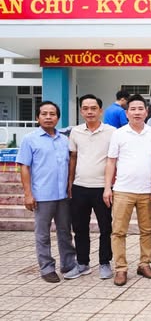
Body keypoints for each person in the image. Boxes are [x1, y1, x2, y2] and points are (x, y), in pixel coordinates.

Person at [16, 101, 78, 283]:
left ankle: (68, 265)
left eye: (52, 114)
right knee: (42, 234)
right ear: (37, 117)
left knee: (65, 232)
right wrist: (28, 194)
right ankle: (47, 268)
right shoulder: (30, 139)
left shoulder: (64, 140)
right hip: (42, 195)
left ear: (58, 118)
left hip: (63, 195)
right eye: (44, 114)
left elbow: (70, 163)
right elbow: (24, 167)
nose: (48, 117)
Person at [103, 94, 151, 286]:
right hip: (122, 190)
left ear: (146, 112)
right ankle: (121, 268)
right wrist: (107, 188)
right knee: (118, 231)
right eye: (132, 109)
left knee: (147, 230)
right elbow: (111, 162)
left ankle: (145, 264)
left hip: (146, 191)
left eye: (140, 109)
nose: (137, 112)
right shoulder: (118, 134)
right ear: (126, 113)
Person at [68, 94, 116, 280]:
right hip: (80, 187)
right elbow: (73, 158)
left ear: (100, 111)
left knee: (105, 227)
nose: (90, 112)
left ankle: (105, 262)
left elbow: (114, 160)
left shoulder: (111, 132)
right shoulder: (76, 132)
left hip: (102, 188)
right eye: (86, 108)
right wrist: (70, 183)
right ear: (81, 111)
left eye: (93, 108)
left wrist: (109, 186)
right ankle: (82, 263)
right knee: (80, 227)